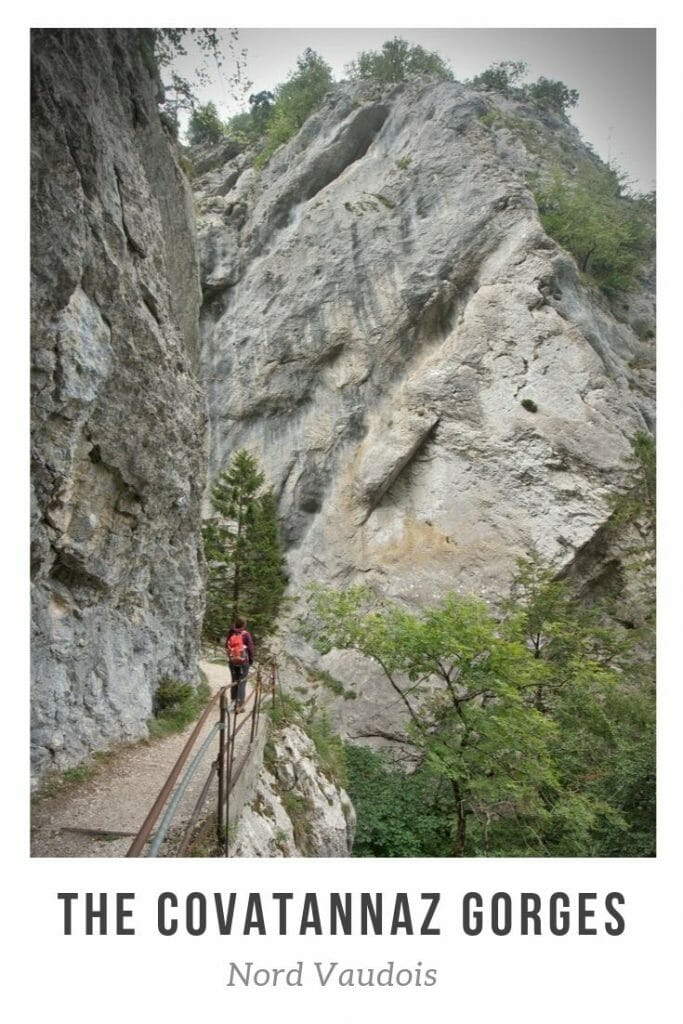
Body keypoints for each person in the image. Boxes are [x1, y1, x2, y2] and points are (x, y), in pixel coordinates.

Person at [225, 616, 255, 712]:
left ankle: (233, 703)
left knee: (234, 681)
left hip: (232, 661)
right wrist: (251, 660)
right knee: (242, 682)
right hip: (243, 662)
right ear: (244, 624)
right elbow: (250, 648)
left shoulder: (231, 633)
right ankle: (239, 706)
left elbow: (226, 645)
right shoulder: (246, 634)